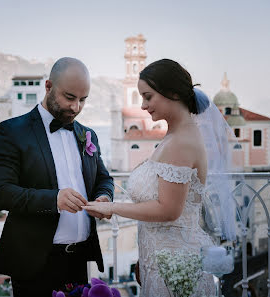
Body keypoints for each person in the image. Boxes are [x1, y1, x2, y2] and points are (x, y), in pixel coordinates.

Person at [84, 59, 238, 296]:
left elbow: (169, 210)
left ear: (172, 93)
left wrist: (114, 207)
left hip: (177, 265)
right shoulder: (174, 134)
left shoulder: (181, 141)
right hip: (161, 257)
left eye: (148, 96)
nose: (144, 105)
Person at [0, 57, 114, 296]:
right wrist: (53, 199)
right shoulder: (12, 131)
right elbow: (0, 193)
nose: (76, 107)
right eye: (69, 97)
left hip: (78, 261)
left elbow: (103, 179)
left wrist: (104, 197)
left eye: (83, 100)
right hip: (33, 262)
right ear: (48, 87)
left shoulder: (88, 135)